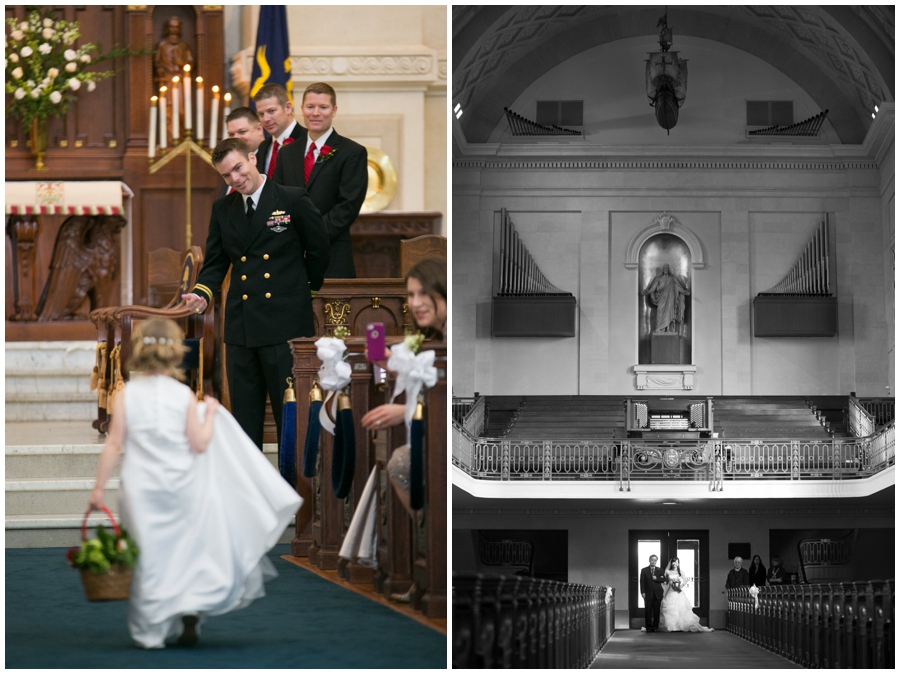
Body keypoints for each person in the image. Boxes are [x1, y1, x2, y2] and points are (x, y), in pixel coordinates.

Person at [88, 318, 301, 649]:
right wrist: (212, 414)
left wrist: (98, 488)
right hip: (181, 485)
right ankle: (189, 606)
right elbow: (199, 443)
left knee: (149, 555)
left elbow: (114, 444)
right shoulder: (184, 395)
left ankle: (151, 631)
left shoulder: (126, 395)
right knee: (182, 550)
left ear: (139, 352)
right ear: (176, 353)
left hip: (142, 486)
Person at [182, 137, 330, 449]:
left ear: (252, 158)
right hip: (242, 328)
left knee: (289, 415)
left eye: (238, 168)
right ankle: (250, 493)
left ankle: (295, 491)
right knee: (245, 421)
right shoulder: (223, 208)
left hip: (285, 326)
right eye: (226, 175)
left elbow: (318, 248)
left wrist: (305, 291)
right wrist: (202, 293)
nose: (235, 178)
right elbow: (216, 261)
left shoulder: (291, 198)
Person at [273, 82, 368, 278]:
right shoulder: (287, 153)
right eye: (310, 107)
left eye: (323, 107)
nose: (316, 113)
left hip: (332, 255)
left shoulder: (352, 152)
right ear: (301, 110)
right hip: (290, 256)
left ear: (334, 110)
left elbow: (348, 206)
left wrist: (312, 236)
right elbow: (277, 200)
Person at [361, 257, 447, 431]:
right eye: (411, 294)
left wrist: (406, 411)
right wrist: (393, 364)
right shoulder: (436, 337)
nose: (415, 303)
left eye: (423, 293)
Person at [253, 83, 304, 180]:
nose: (266, 119)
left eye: (271, 111)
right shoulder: (263, 147)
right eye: (261, 114)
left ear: (288, 108)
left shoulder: (307, 140)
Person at [218, 107, 267, 197]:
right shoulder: (228, 166)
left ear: (259, 129)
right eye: (231, 134)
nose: (236, 138)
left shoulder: (270, 160)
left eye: (242, 132)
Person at [659, 557, 714, 633]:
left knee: (680, 609)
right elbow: (665, 582)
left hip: (678, 592)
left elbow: (685, 581)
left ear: (678, 563)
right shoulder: (667, 571)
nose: (675, 564)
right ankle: (673, 626)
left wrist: (679, 586)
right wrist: (669, 585)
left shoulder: (681, 572)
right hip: (670, 591)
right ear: (671, 563)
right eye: (673, 562)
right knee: (671, 609)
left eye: (676, 562)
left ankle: (680, 626)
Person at [641, 263, 690, 334]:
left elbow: (677, 287)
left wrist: (684, 292)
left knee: (670, 313)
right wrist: (646, 292)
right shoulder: (659, 279)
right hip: (661, 299)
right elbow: (653, 288)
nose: (665, 269)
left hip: (670, 299)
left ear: (668, 270)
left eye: (667, 268)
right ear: (663, 270)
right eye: (664, 268)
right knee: (660, 312)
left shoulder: (672, 279)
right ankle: (659, 328)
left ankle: (669, 329)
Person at [154, 17, 194, 92]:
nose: (174, 29)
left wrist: (182, 63)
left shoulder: (184, 45)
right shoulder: (162, 45)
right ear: (168, 28)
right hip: (167, 76)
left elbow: (191, 62)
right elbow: (157, 61)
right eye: (172, 27)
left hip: (180, 77)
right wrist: (160, 69)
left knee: (180, 100)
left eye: (177, 27)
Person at [640, 554, 666, 632]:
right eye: (652, 560)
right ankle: (648, 627)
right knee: (648, 611)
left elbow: (663, 579)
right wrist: (643, 592)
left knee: (656, 611)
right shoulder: (644, 570)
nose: (653, 561)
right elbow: (642, 582)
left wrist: (656, 578)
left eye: (655, 560)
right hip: (648, 593)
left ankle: (655, 627)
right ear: (649, 560)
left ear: (656, 561)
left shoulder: (660, 570)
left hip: (658, 594)